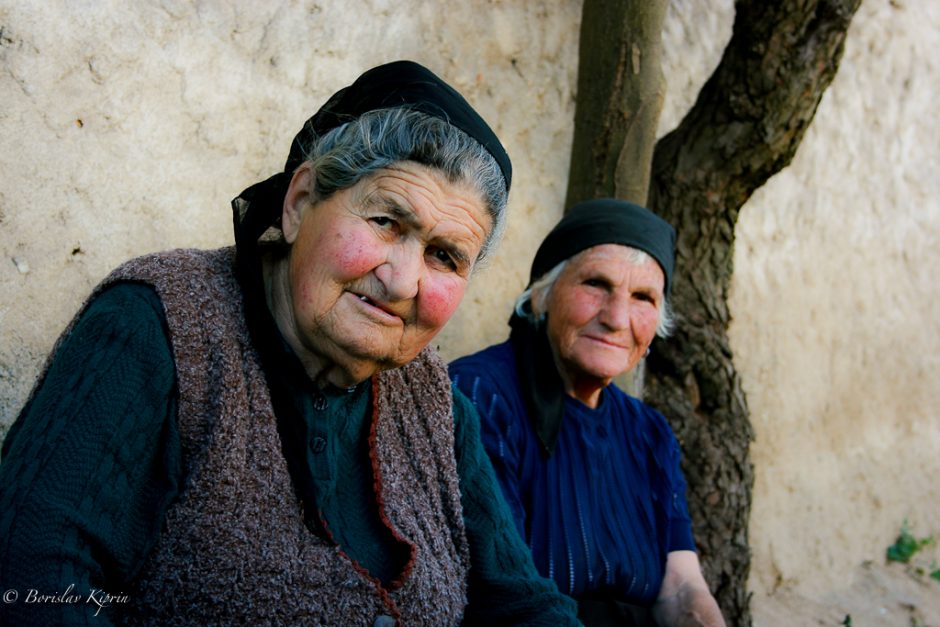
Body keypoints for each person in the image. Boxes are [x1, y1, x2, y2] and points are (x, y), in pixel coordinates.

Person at [0, 60, 580, 626]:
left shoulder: (437, 408)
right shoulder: (157, 328)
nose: (403, 281)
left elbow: (523, 605)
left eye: (444, 256)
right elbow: (31, 576)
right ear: (300, 202)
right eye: (386, 222)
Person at [449, 199, 726, 626]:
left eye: (643, 297)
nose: (617, 318)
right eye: (596, 284)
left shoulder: (650, 432)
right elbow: (505, 586)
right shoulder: (480, 394)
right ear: (541, 295)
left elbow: (682, 586)